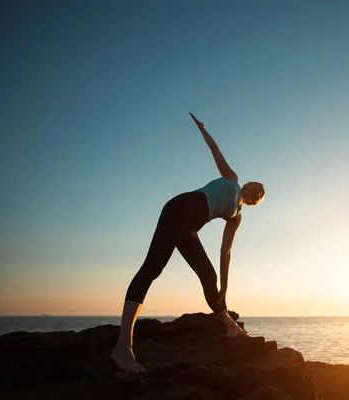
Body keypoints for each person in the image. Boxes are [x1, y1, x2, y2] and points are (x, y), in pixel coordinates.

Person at [110, 113, 265, 373]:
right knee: (153, 268)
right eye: (257, 186)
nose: (258, 191)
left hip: (189, 228)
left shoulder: (236, 218)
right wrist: (202, 129)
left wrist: (225, 290)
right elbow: (215, 149)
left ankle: (230, 328)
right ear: (248, 185)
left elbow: (225, 252)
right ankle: (123, 346)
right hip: (179, 208)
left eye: (261, 194)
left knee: (209, 273)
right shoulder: (232, 179)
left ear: (255, 201)